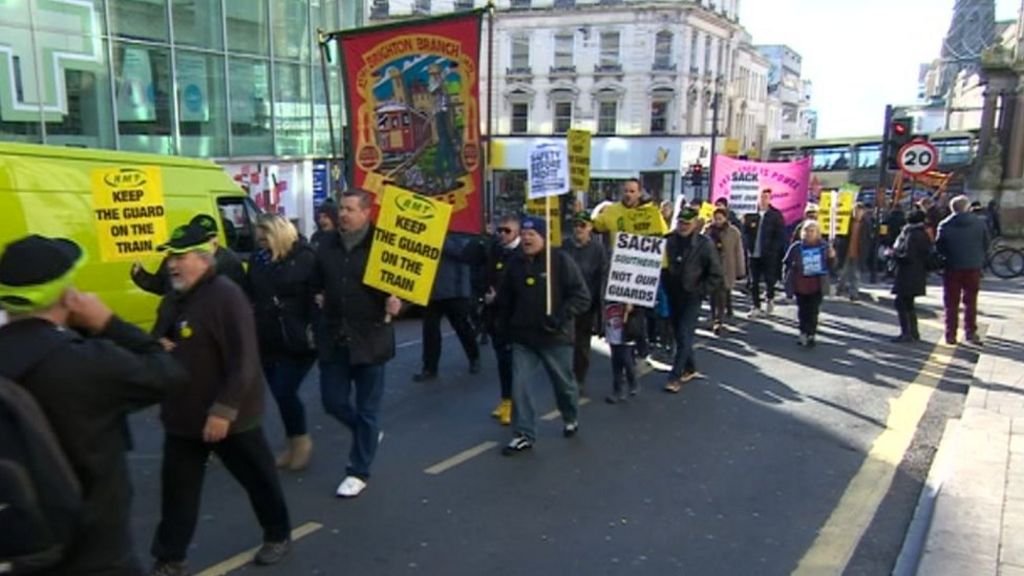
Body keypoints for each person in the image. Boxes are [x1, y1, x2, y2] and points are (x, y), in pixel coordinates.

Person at [0, 235, 186, 576]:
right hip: (96, 554)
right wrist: (107, 323)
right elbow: (167, 373)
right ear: (68, 294)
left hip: (19, 551)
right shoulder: (88, 362)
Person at [149, 222, 292, 576]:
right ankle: (170, 558)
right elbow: (159, 336)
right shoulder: (174, 296)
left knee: (258, 478)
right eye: (170, 256)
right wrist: (159, 346)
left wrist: (224, 411)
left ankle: (278, 533)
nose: (171, 263)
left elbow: (244, 359)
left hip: (231, 417)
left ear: (203, 258)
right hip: (183, 413)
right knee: (178, 491)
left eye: (179, 256)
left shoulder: (226, 296)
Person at [313, 190, 402, 497]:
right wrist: (317, 295)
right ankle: (368, 434)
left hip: (371, 339)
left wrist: (400, 304)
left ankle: (358, 471)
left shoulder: (385, 245)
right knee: (333, 401)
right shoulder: (326, 244)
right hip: (335, 337)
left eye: (350, 209)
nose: (344, 214)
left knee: (367, 409)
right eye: (341, 208)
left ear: (367, 213)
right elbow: (315, 279)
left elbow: (409, 286)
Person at [497, 216, 591, 455]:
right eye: (525, 234)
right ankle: (524, 433)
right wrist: (502, 329)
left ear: (543, 237)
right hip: (524, 338)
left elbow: (582, 297)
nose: (527, 239)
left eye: (532, 235)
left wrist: (561, 316)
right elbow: (505, 301)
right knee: (519, 385)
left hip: (555, 337)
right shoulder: (515, 264)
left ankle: (570, 416)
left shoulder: (559, 261)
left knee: (564, 385)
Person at [246, 214, 317, 471]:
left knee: (285, 390)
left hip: (297, 337)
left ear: (281, 233)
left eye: (266, 234)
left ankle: (301, 442)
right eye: (259, 235)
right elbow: (250, 293)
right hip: (267, 337)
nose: (260, 240)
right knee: (279, 392)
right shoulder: (258, 259)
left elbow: (315, 297)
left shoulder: (305, 258)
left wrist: (314, 327)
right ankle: (292, 442)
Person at [662, 207, 722, 392]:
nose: (683, 226)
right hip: (672, 293)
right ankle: (690, 366)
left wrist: (701, 291)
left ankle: (675, 376)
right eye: (680, 222)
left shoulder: (705, 244)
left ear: (695, 224)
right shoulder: (668, 241)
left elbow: (716, 274)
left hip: (692, 296)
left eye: (687, 223)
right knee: (679, 333)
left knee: (683, 332)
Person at [412, 234, 481, 382]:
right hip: (431, 290)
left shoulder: (460, 234)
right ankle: (429, 368)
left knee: (462, 327)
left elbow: (463, 253)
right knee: (430, 331)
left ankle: (474, 357)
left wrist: (438, 239)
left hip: (455, 292)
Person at [131, 213, 246, 295]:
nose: (212, 241)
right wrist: (141, 275)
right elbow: (161, 285)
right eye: (206, 237)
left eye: (213, 236)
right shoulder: (173, 259)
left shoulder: (230, 262)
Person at [483, 214, 522, 425]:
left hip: (515, 318)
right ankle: (506, 400)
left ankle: (515, 403)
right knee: (502, 362)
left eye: (507, 231)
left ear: (516, 231)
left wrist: (499, 297)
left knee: (513, 362)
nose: (502, 235)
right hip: (496, 317)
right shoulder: (496, 250)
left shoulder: (521, 254)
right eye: (500, 230)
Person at [562, 211, 607, 394]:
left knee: (582, 343)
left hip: (586, 303)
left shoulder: (598, 249)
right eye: (575, 225)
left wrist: (599, 305)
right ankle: (565, 376)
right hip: (566, 301)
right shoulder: (565, 246)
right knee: (565, 341)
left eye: (582, 225)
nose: (578, 229)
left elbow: (602, 276)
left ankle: (579, 378)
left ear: (590, 228)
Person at [935, 195, 989, 345]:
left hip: (952, 267)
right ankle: (970, 332)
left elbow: (939, 247)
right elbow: (986, 243)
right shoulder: (979, 223)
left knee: (951, 302)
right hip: (973, 266)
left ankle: (950, 334)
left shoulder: (944, 225)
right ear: (968, 207)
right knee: (971, 301)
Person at [783, 220, 836, 347]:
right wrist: (787, 283)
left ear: (817, 233)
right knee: (803, 311)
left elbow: (830, 266)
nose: (809, 233)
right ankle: (803, 332)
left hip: (816, 285)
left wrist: (832, 257)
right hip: (801, 284)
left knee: (813, 311)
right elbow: (787, 264)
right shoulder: (796, 247)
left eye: (812, 230)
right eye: (807, 230)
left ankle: (811, 334)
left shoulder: (824, 246)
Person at [742, 188, 786, 318]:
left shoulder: (775, 215)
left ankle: (769, 299)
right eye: (762, 196)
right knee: (753, 281)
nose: (764, 199)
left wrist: (774, 249)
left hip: (769, 253)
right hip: (753, 253)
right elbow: (745, 232)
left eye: (766, 197)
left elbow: (780, 235)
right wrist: (747, 245)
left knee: (769, 279)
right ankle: (756, 305)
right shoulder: (750, 213)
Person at [890, 209, 931, 343]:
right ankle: (914, 332)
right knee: (909, 303)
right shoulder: (923, 233)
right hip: (918, 273)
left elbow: (906, 256)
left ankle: (906, 333)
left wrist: (893, 254)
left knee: (901, 303)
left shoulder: (910, 234)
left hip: (907, 273)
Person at [705, 207, 745, 334]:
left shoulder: (733, 232)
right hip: (711, 267)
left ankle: (719, 320)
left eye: (720, 218)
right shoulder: (708, 230)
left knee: (722, 295)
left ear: (725, 218)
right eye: (715, 218)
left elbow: (738, 252)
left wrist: (740, 270)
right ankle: (712, 316)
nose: (717, 221)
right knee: (712, 295)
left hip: (727, 268)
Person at [602, 302, 638, 404]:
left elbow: (636, 316)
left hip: (626, 336)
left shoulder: (630, 301)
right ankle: (617, 391)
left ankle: (632, 381)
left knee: (626, 360)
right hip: (612, 336)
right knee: (616, 364)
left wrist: (629, 310)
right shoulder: (608, 301)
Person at [836, 203, 872, 301]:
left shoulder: (866, 224)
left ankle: (854, 293)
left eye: (859, 212)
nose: (857, 214)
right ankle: (840, 288)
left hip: (859, 252)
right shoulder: (848, 222)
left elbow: (868, 239)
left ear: (863, 212)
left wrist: (866, 252)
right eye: (855, 211)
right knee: (844, 272)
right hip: (846, 251)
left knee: (856, 274)